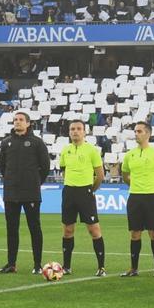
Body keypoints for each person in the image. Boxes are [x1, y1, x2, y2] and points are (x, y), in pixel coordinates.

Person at [0, 111, 50, 275]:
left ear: (28, 123)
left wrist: (34, 182)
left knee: (34, 228)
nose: (17, 122)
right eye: (15, 120)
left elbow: (45, 167)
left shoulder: (37, 142)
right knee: (12, 229)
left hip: (31, 192)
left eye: (21, 120)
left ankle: (37, 264)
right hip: (11, 193)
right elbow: (2, 166)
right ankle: (11, 264)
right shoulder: (6, 143)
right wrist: (12, 182)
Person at [120, 121, 154, 278]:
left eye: (140, 131)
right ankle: (133, 268)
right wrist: (137, 186)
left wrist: (152, 188)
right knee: (135, 233)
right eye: (135, 131)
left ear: (148, 134)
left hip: (151, 198)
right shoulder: (130, 155)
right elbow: (125, 176)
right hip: (134, 197)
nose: (136, 134)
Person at [59, 119, 107, 277]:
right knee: (67, 230)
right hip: (69, 192)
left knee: (94, 229)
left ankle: (101, 267)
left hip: (85, 192)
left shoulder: (92, 150)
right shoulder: (65, 150)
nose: (75, 131)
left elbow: (100, 175)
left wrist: (90, 190)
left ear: (84, 132)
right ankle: (66, 266)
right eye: (72, 129)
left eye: (79, 129)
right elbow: (64, 171)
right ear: (69, 132)